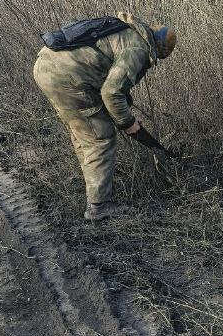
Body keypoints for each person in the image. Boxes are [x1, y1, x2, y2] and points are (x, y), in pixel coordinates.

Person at [32, 12, 177, 221]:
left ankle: (93, 188)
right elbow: (111, 93)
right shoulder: (139, 49)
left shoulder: (127, 32)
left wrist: (127, 112)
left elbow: (113, 84)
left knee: (84, 132)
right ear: (160, 49)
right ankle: (99, 206)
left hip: (46, 67)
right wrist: (127, 122)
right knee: (100, 137)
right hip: (65, 76)